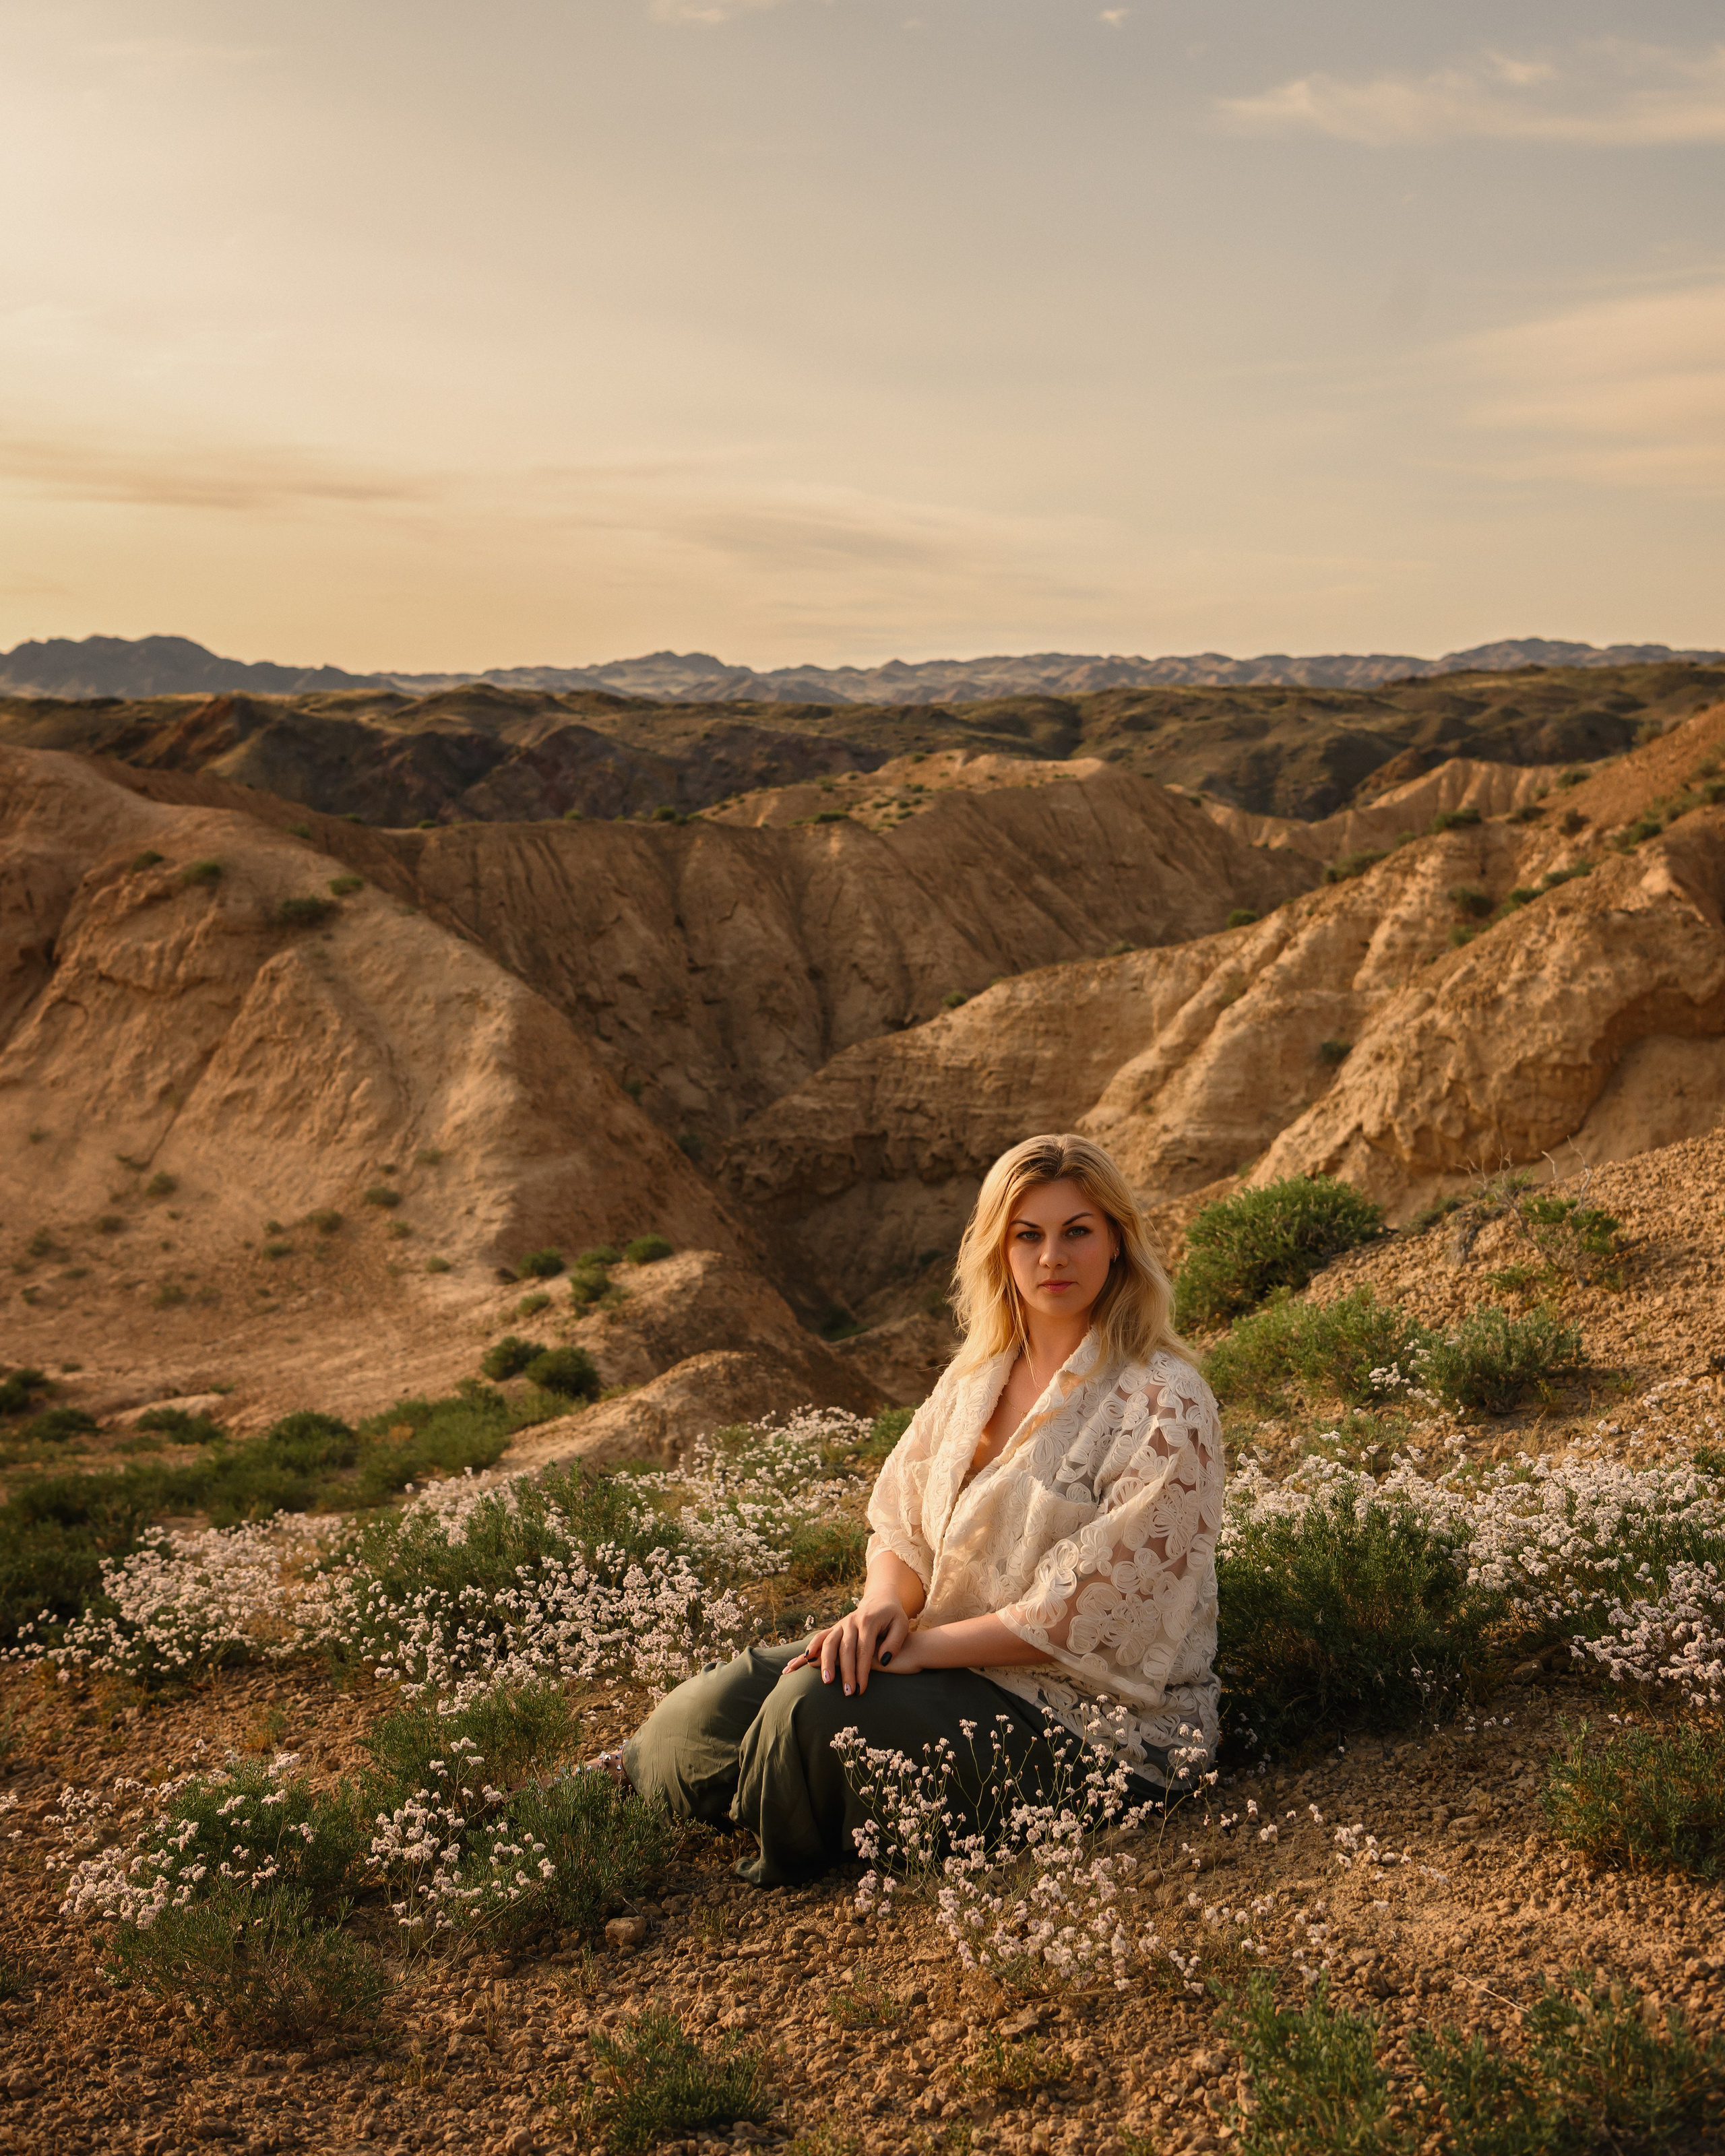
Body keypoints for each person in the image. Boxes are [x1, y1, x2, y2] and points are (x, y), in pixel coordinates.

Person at [619, 1131, 1224, 1885]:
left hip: (1097, 1728)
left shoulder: (1164, 1402)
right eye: (1026, 1235)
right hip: (946, 1662)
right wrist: (881, 1608)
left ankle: (775, 1796)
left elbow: (1098, 1612)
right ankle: (738, 1779)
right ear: (998, 1250)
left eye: (1077, 1231)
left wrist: (916, 1650)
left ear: (1116, 1243)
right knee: (709, 1707)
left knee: (809, 1705)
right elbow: (900, 1521)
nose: (1051, 1258)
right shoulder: (975, 1377)